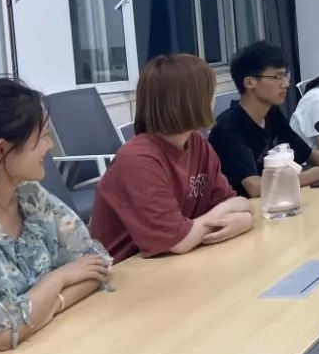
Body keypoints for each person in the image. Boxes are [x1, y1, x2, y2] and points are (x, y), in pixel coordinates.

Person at [0, 79, 111, 354]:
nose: (50, 145)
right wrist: (58, 279)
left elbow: (95, 266)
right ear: (1, 149)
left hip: (50, 351)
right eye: (42, 137)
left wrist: (41, 310)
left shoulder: (31, 197)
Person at [90, 55, 253, 263]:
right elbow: (178, 241)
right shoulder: (137, 159)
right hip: (126, 270)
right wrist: (228, 210)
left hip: (176, 261)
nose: (213, 99)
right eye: (209, 92)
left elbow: (236, 206)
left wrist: (243, 218)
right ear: (190, 100)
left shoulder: (197, 143)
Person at [208, 41, 319, 197]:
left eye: (285, 76)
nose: (285, 83)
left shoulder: (271, 113)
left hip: (279, 199)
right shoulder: (228, 128)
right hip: (250, 206)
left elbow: (308, 155)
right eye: (277, 77)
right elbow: (255, 187)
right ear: (249, 82)